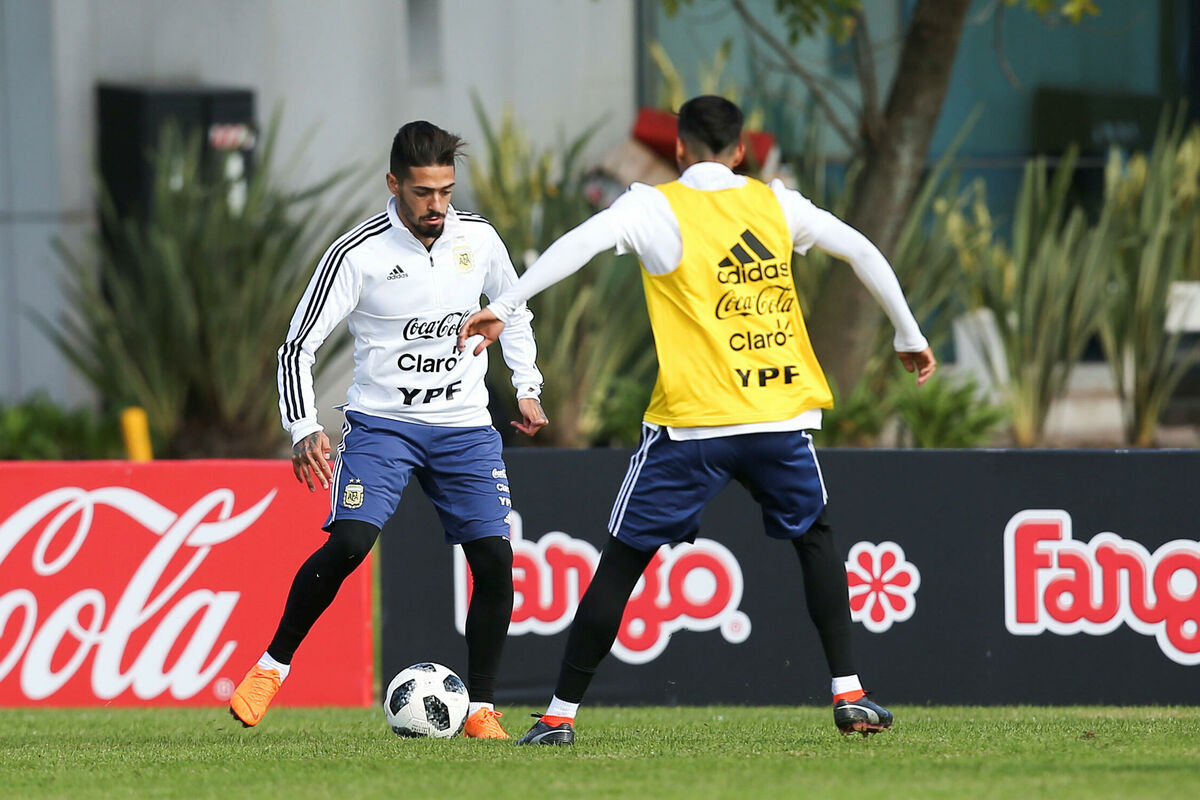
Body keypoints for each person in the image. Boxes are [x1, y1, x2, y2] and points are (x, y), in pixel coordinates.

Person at [457, 95, 936, 746]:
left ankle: (560, 716)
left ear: (678, 148)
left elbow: (578, 245)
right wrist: (909, 334)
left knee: (623, 561)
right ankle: (849, 693)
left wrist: (506, 303)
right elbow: (863, 252)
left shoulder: (654, 207)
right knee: (815, 539)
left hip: (692, 428)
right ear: (740, 151)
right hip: (777, 418)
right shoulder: (778, 204)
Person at [229, 120, 548, 739]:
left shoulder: (479, 239)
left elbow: (513, 309)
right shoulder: (357, 254)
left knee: (494, 559)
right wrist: (302, 426)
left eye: (446, 191)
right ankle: (272, 667)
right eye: (423, 192)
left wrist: (527, 385)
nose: (437, 206)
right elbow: (297, 346)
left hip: (463, 427)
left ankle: (480, 710)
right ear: (393, 184)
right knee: (350, 542)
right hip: (383, 428)